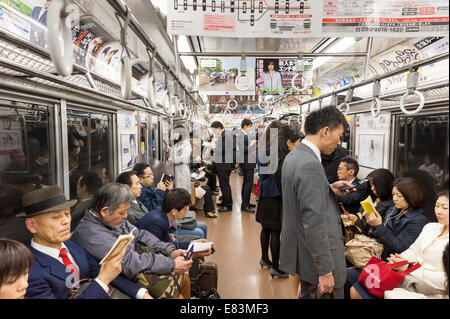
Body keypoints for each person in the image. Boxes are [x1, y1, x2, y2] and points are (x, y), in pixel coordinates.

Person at [19, 185, 149, 299]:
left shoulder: (73, 246)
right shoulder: (27, 270)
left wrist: (141, 293)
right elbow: (103, 276)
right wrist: (102, 281)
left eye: (67, 214)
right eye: (55, 217)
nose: (65, 221)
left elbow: (99, 271)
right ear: (32, 225)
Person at [280, 106, 354, 299]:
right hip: (317, 259)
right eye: (339, 135)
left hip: (302, 252)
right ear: (325, 131)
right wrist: (325, 270)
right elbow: (314, 222)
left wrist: (328, 189)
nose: (339, 142)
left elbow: (299, 197)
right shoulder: (310, 165)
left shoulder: (294, 156)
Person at [71, 183, 192, 299]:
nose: (125, 217)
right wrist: (171, 264)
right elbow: (129, 262)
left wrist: (170, 251)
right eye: (122, 213)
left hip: (138, 268)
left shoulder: (112, 219)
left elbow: (140, 234)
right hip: (122, 279)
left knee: (185, 279)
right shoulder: (91, 234)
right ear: (104, 211)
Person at [352, 191, 449, 299]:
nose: (439, 211)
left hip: (432, 290)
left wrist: (409, 267)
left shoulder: (417, 219)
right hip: (408, 276)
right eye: (437, 206)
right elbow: (414, 250)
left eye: (445, 208)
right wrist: (400, 260)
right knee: (357, 288)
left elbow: (445, 280)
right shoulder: (431, 227)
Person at [346, 177, 430, 298]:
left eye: (399, 196)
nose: (395, 199)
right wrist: (372, 224)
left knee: (347, 278)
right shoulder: (394, 210)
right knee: (343, 275)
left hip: (391, 268)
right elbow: (379, 234)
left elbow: (401, 247)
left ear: (412, 195)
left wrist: (379, 226)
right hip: (378, 259)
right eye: (393, 195)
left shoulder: (418, 220)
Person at [257, 123, 302, 280]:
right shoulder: (275, 153)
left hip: (265, 194)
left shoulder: (264, 149)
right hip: (274, 196)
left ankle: (265, 258)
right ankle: (277, 267)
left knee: (266, 229)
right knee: (275, 231)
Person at [137, 188, 212, 252]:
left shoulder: (162, 214)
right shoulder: (157, 222)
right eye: (185, 209)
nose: (187, 212)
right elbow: (163, 248)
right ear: (174, 211)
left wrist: (192, 243)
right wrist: (192, 243)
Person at [343, 168, 395, 235]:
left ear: (383, 185)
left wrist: (356, 220)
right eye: (371, 185)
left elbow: (372, 228)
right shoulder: (372, 196)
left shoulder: (391, 206)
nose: (372, 188)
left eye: (374, 185)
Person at [211, 121, 236, 212]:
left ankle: (228, 205)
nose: (214, 132)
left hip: (224, 164)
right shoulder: (224, 135)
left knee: (225, 185)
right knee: (224, 185)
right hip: (223, 164)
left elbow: (223, 149)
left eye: (214, 130)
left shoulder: (226, 135)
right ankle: (225, 202)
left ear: (218, 128)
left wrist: (214, 146)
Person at [235, 119, 257, 213]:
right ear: (245, 126)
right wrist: (252, 145)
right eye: (250, 126)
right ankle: (245, 205)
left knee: (247, 183)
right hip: (247, 163)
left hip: (248, 162)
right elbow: (244, 150)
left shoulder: (244, 135)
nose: (250, 128)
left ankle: (246, 203)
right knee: (248, 184)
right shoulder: (241, 135)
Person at [169, 125, 192, 194]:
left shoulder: (186, 144)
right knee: (177, 190)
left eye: (176, 132)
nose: (174, 134)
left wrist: (173, 160)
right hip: (176, 169)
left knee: (183, 191)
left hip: (182, 170)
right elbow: (172, 157)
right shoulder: (176, 144)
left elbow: (184, 158)